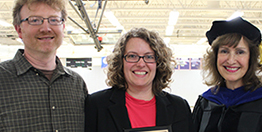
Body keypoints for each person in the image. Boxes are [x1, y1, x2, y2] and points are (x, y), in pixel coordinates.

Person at [0, 0, 88, 131]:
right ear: (19, 30)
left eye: (54, 20)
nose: (46, 28)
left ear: (63, 27)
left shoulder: (77, 84)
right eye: (35, 20)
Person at [85, 27, 193, 132]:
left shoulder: (180, 107)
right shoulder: (96, 105)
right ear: (120, 62)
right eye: (132, 56)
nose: (141, 64)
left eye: (149, 57)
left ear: (158, 63)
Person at [192, 17, 262, 132]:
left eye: (240, 52)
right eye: (224, 51)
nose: (231, 60)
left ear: (251, 58)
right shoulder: (206, 102)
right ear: (215, 57)